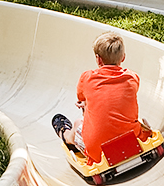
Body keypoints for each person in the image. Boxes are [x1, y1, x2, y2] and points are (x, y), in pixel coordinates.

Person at [52, 32, 141, 163]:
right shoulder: (132, 77)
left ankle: (66, 135)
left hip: (99, 150)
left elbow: (82, 98)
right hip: (131, 137)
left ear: (98, 59)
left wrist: (87, 104)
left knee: (78, 123)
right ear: (123, 57)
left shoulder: (87, 78)